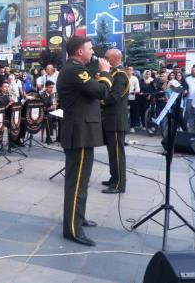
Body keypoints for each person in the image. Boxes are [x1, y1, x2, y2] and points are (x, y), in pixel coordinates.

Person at [56, 36, 112, 247]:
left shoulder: (78, 69)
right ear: (79, 51)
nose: (92, 52)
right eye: (89, 49)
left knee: (81, 183)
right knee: (76, 184)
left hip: (82, 133)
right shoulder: (74, 70)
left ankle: (77, 218)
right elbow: (101, 91)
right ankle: (72, 229)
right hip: (78, 135)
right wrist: (105, 72)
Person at [101, 49, 129, 195]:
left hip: (116, 120)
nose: (104, 59)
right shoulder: (113, 73)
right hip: (110, 119)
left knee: (117, 153)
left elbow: (114, 97)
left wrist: (99, 99)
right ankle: (114, 178)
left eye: (106, 57)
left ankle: (119, 184)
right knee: (112, 152)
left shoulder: (120, 75)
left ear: (115, 58)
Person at [126, 66, 140, 132]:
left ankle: (132, 126)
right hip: (124, 97)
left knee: (133, 112)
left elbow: (137, 88)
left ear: (133, 71)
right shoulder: (124, 78)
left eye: (130, 69)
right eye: (128, 69)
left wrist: (136, 91)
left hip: (132, 96)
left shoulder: (135, 79)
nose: (129, 70)